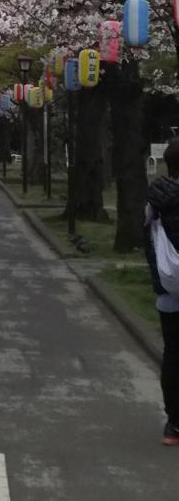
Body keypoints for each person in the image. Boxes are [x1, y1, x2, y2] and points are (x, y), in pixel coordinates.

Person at [145, 140, 179, 446]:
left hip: (169, 290)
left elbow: (149, 239)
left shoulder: (155, 198)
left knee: (172, 354)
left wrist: (158, 279)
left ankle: (173, 424)